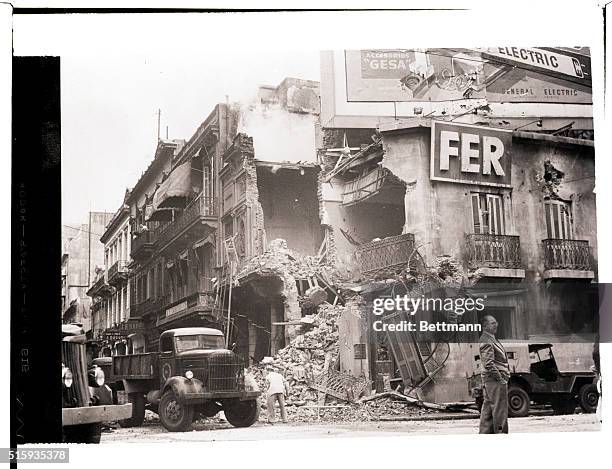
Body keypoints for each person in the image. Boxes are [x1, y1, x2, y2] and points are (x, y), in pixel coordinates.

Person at [478, 315, 510, 434]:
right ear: (485, 326)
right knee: (499, 410)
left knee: (488, 411)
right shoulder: (487, 340)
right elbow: (488, 363)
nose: (495, 324)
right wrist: (500, 378)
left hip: (491, 379)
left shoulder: (490, 338)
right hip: (494, 379)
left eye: (496, 322)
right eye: (492, 323)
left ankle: (485, 434)